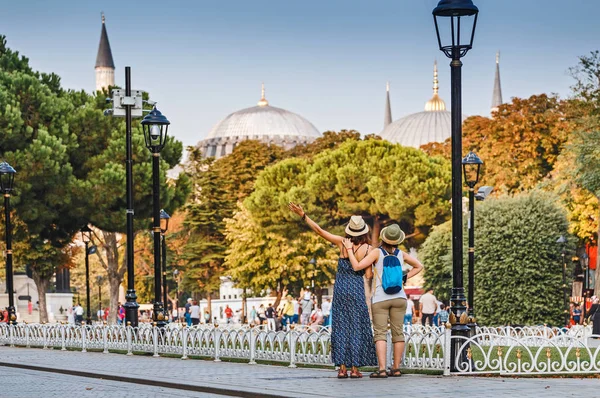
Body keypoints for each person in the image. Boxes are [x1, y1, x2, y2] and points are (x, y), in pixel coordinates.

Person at [290, 202, 377, 379]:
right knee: (356, 327)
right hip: (356, 290)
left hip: (340, 290)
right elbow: (368, 275)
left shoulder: (342, 243)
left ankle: (342, 368)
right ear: (365, 231)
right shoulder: (369, 249)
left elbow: (320, 231)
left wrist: (304, 215)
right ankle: (355, 369)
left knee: (341, 327)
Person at [345, 223, 423, 378]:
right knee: (398, 333)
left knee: (380, 333)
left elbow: (357, 266)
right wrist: (404, 277)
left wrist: (348, 249)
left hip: (381, 298)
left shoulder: (376, 253)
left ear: (383, 237)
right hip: (400, 297)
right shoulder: (401, 254)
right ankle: (396, 368)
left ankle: (382, 370)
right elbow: (419, 266)